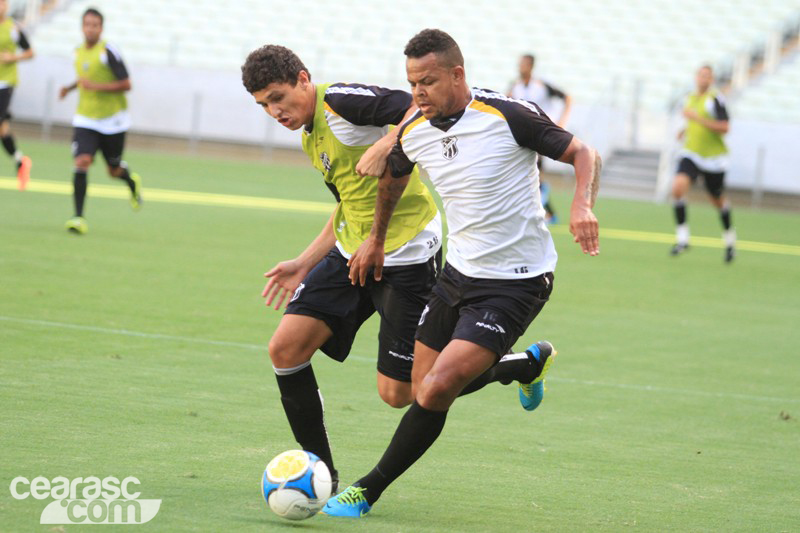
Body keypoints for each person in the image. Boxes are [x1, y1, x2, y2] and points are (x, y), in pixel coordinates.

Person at [240, 44, 553, 492]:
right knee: (285, 351)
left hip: (407, 254)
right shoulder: (310, 134)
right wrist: (303, 262)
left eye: (278, 97)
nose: (274, 111)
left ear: (303, 80)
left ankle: (520, 365)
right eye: (264, 105)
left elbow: (416, 105)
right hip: (353, 252)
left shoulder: (342, 102)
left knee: (401, 393)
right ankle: (322, 475)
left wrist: (389, 139)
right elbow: (349, 205)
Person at [323, 29, 600, 517]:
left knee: (434, 389)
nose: (418, 93)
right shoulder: (413, 131)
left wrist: (580, 206)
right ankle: (525, 365)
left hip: (518, 281)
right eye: (411, 83)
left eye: (427, 81)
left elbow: (583, 152)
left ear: (457, 74)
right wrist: (377, 240)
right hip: (456, 275)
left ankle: (367, 490)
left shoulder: (507, 115)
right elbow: (393, 180)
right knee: (414, 388)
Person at [59, 7, 142, 235]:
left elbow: (126, 84)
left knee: (113, 170)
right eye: (87, 24)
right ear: (82, 27)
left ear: (101, 28)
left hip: (113, 121)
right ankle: (78, 217)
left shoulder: (109, 52)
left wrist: (96, 87)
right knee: (82, 161)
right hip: (86, 118)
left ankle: (131, 181)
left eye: (95, 25)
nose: (90, 29)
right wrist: (69, 87)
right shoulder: (77, 52)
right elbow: (84, 78)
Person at [670, 65, 735, 262]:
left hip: (714, 159)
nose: (703, 79)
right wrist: (685, 130)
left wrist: (697, 119)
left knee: (717, 200)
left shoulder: (715, 99)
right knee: (678, 187)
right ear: (696, 77)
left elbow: (724, 127)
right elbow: (693, 123)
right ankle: (683, 239)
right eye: (701, 75)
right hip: (692, 153)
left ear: (712, 79)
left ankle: (730, 240)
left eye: (708, 76)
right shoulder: (689, 98)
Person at [508, 53, 573, 224]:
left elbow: (568, 98)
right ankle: (549, 213)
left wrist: (561, 122)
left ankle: (542, 211)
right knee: (530, 175)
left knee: (532, 174)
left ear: (531, 66)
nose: (520, 67)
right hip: (521, 135)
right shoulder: (515, 86)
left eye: (523, 64)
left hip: (540, 134)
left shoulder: (542, 86)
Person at [0, 0, 33, 189]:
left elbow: (30, 52)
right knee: (3, 131)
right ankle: (21, 162)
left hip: (6, 83)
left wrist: (13, 57)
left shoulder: (12, 27)